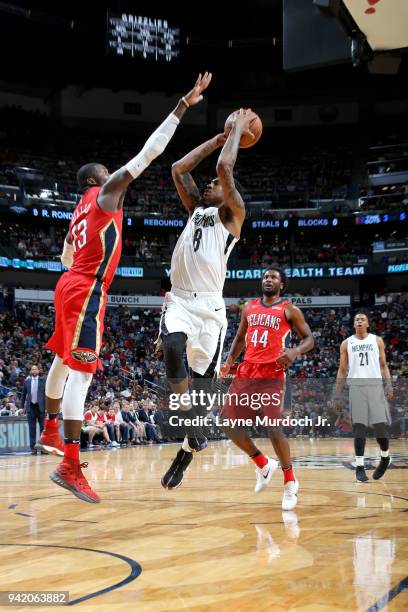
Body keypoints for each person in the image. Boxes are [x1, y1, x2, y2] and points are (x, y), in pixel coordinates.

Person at [35, 72, 212, 503]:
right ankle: (71, 464)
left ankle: (52, 427)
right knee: (82, 373)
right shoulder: (105, 193)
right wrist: (183, 105)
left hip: (67, 282)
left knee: (61, 359)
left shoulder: (77, 210)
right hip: (85, 290)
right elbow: (150, 152)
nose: (116, 173)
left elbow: (63, 258)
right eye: (107, 170)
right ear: (98, 177)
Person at [160, 108, 256, 489]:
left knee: (201, 397)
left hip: (212, 310)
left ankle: (185, 452)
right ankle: (187, 421)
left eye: (215, 185)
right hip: (181, 301)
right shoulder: (196, 208)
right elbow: (178, 169)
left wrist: (234, 133)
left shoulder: (233, 215)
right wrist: (217, 139)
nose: (209, 185)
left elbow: (224, 170)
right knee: (171, 346)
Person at [220, 267, 314, 510]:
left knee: (273, 428)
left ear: (281, 284)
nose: (268, 280)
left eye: (273, 277)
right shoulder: (249, 307)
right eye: (265, 276)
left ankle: (290, 481)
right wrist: (230, 361)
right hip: (247, 370)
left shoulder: (289, 309)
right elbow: (240, 337)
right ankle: (263, 463)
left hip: (272, 373)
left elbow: (309, 339)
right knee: (226, 423)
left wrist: (294, 351)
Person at [334, 311, 393, 482]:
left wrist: (388, 384)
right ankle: (359, 466)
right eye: (356, 319)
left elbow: (383, 365)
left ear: (367, 324)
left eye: (362, 319)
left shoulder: (377, 340)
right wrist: (337, 393)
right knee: (359, 428)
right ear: (354, 324)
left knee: (380, 429)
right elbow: (342, 370)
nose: (359, 321)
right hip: (357, 388)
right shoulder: (347, 343)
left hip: (375, 388)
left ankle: (385, 457)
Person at [21, 365, 46, 455]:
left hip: (41, 407)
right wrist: (21, 407)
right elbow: (23, 395)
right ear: (31, 371)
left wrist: (48, 407)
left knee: (43, 429)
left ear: (38, 371)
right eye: (32, 369)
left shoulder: (43, 380)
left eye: (35, 369)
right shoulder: (27, 381)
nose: (34, 371)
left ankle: (43, 448)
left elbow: (46, 394)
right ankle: (33, 448)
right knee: (32, 429)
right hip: (30, 407)